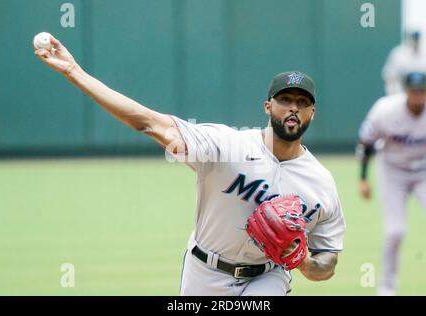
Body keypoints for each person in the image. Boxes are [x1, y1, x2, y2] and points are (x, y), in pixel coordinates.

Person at [34, 36, 346, 296]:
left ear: (312, 112)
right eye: (285, 99)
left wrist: (303, 261)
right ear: (268, 106)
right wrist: (74, 71)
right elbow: (148, 123)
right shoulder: (226, 146)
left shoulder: (320, 183)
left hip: (267, 278)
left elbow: (327, 264)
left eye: (302, 102)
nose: (293, 107)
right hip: (205, 271)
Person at [358, 72, 426, 296]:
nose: (418, 96)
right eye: (414, 91)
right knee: (394, 232)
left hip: (425, 171)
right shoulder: (385, 110)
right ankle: (387, 288)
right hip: (392, 172)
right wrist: (363, 178)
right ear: (406, 91)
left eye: (422, 91)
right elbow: (366, 142)